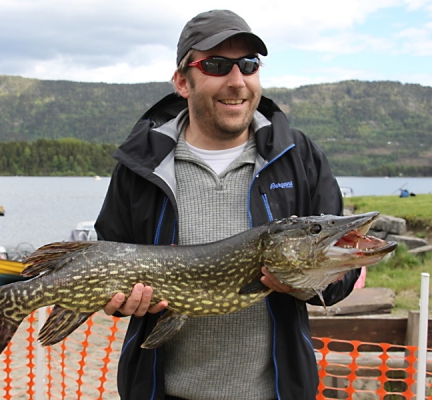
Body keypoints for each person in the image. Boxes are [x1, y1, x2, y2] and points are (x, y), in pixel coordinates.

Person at [94, 9, 360, 400]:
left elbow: (342, 272)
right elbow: (106, 265)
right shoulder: (140, 166)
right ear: (183, 81)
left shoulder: (299, 156)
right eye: (217, 65)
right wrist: (118, 303)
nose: (237, 81)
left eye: (248, 64)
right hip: (161, 392)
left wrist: (308, 282)